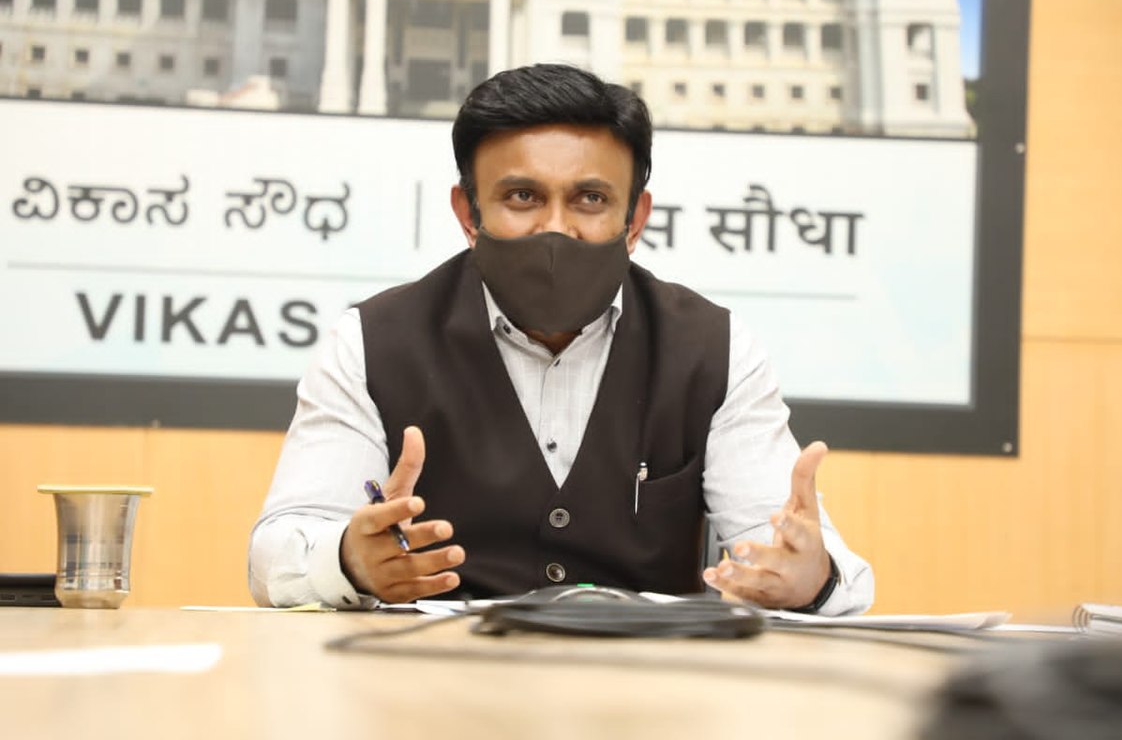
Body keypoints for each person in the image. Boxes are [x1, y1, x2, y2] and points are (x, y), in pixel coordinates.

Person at [249, 63, 874, 613]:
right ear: (468, 213)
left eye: (590, 199)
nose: (556, 228)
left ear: (635, 219)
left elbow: (795, 556)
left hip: (650, 687)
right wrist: (348, 559)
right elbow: (275, 554)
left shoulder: (714, 349)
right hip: (433, 683)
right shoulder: (371, 343)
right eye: (522, 196)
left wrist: (809, 578)